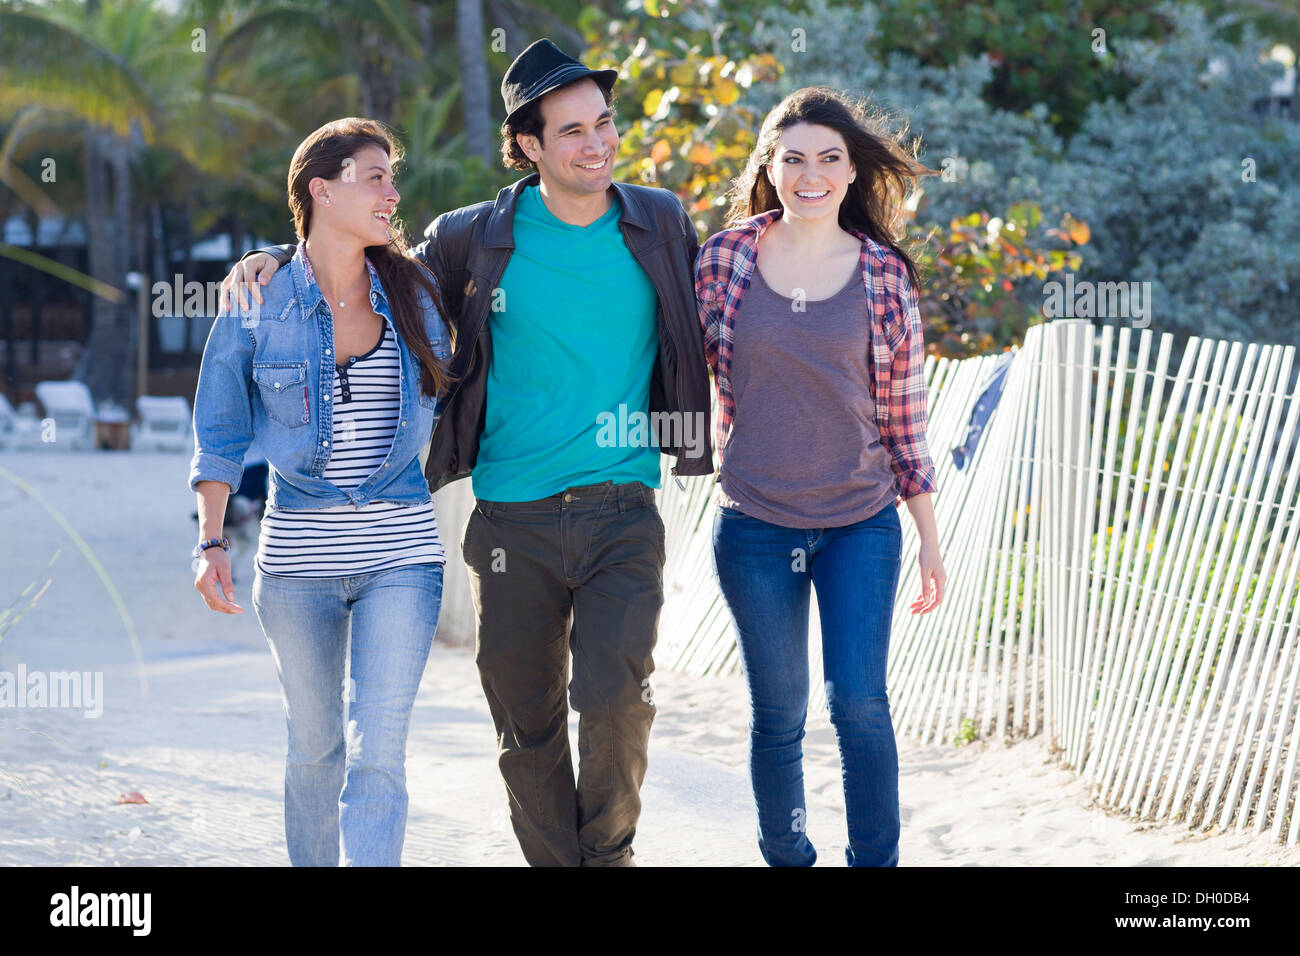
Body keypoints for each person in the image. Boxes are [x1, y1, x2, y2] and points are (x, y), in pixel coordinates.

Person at [218, 40, 712, 866]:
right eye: (572, 132)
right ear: (528, 146)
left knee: (617, 699)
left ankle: (609, 854)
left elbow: (734, 287)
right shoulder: (474, 239)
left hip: (622, 504)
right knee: (526, 722)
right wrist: (277, 255)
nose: (597, 144)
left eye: (604, 124)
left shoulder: (658, 221)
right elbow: (368, 267)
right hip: (509, 519)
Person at [694, 87, 947, 867]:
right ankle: (789, 857)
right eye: (794, 157)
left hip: (859, 524)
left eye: (829, 159)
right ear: (769, 168)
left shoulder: (883, 276)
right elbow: (674, 364)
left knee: (860, 705)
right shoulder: (724, 261)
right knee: (778, 713)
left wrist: (930, 541)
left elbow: (904, 421)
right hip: (755, 525)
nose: (812, 173)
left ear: (849, 172)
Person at [191, 117, 454, 866]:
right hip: (296, 564)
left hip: (401, 554)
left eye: (391, 178)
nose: (392, 194)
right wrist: (210, 540)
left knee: (380, 751)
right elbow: (219, 429)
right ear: (321, 189)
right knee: (315, 749)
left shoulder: (416, 295)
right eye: (375, 177)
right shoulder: (256, 301)